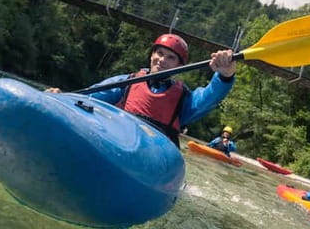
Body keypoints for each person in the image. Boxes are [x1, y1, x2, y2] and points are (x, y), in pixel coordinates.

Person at [50, 33, 236, 146]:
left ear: (180, 65)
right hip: (117, 144)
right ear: (151, 55)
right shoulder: (126, 82)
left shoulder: (183, 99)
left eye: (171, 57)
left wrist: (224, 74)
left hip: (153, 159)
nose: (162, 60)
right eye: (159, 53)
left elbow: (210, 96)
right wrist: (62, 98)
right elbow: (89, 96)